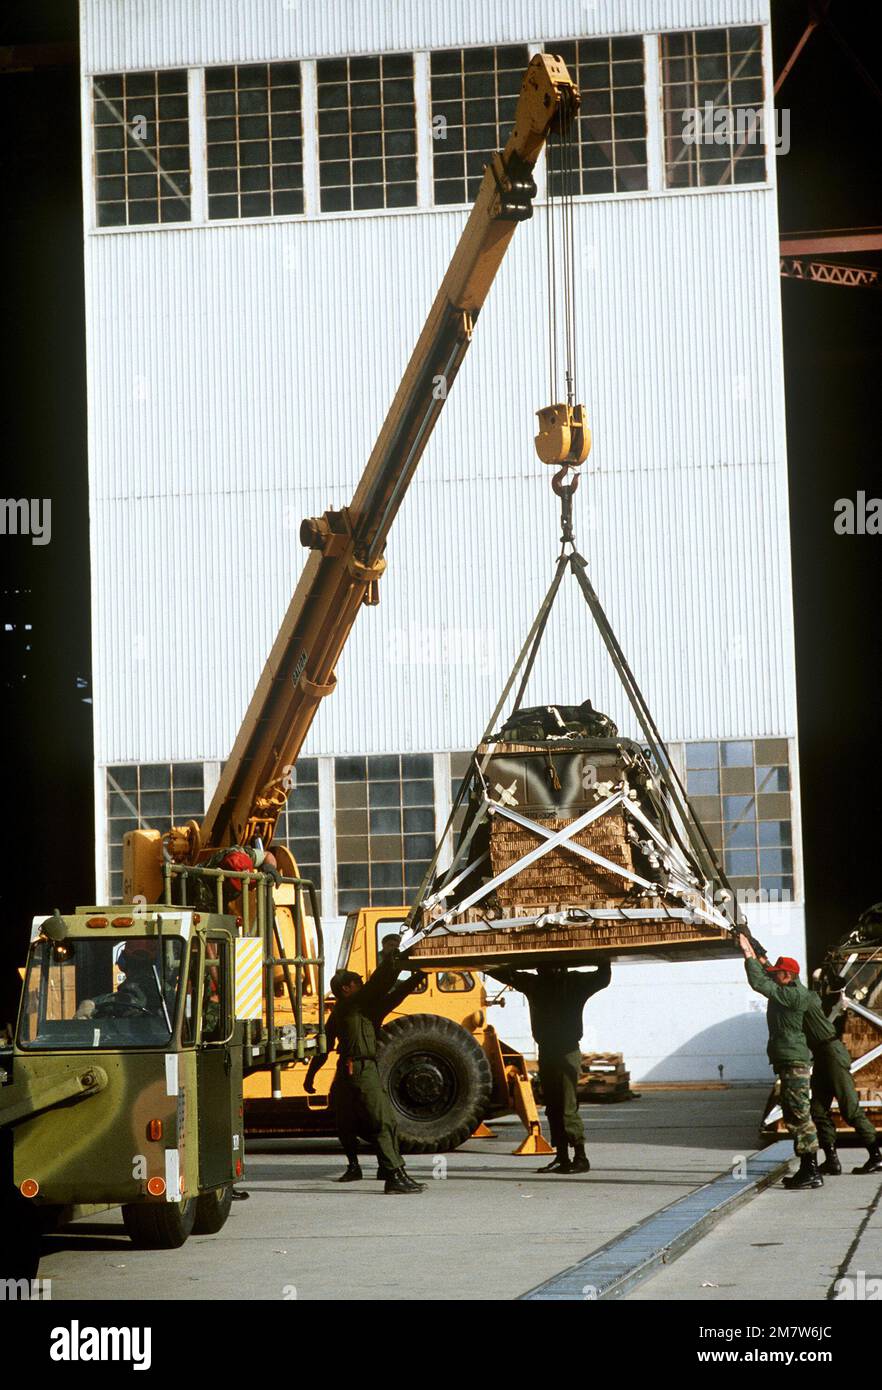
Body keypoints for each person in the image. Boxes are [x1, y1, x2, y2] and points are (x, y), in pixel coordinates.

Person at [304, 939, 427, 1195]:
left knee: (356, 1122)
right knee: (383, 1121)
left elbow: (391, 997)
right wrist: (394, 959)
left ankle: (392, 1171)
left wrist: (416, 978)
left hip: (350, 1070)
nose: (361, 985)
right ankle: (394, 1176)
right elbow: (379, 985)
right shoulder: (353, 1005)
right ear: (347, 988)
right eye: (357, 982)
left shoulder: (352, 1011)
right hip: (360, 1070)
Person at [485, 961, 612, 1174]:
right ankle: (562, 1156)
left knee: (567, 1107)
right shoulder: (554, 982)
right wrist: (602, 958)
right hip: (551, 1051)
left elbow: (502, 972)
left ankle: (580, 1158)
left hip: (565, 1052)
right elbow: (603, 977)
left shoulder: (556, 982)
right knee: (554, 1107)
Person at [739, 935, 822, 1190]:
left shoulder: (793, 996)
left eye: (778, 973)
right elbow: (767, 975)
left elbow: (759, 982)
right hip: (789, 1061)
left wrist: (748, 955)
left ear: (788, 976)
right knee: (792, 1111)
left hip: (794, 1061)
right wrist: (759, 953)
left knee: (799, 1114)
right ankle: (808, 1167)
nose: (774, 976)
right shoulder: (789, 989)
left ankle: (811, 1169)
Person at [802, 984, 882, 1176]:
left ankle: (876, 1156)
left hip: (831, 1055)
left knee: (849, 1108)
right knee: (818, 1110)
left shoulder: (802, 998)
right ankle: (831, 1160)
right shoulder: (808, 999)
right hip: (822, 1056)